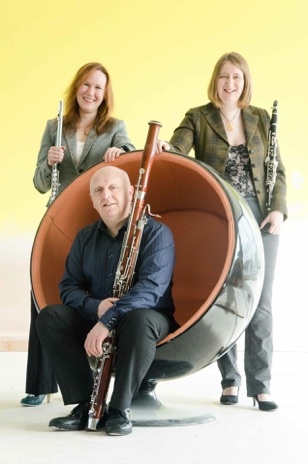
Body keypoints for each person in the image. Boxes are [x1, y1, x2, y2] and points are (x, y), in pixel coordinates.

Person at [157, 51, 288, 412]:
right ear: (215, 80)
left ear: (245, 82)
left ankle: (261, 385)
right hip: (223, 218)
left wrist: (278, 210)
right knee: (226, 302)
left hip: (261, 218)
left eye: (237, 78)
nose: (230, 84)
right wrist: (167, 147)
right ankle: (230, 381)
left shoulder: (260, 118)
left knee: (260, 303)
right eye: (224, 77)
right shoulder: (198, 117)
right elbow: (178, 145)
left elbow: (278, 170)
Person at [21, 62, 135, 407]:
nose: (91, 92)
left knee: (87, 291)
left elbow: (131, 158)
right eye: (86, 85)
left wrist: (120, 153)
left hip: (92, 223)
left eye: (98, 88)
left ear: (105, 95)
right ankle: (40, 386)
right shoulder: (55, 127)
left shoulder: (116, 127)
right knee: (42, 294)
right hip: (57, 220)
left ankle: (90, 379)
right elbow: (40, 184)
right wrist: (50, 163)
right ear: (77, 88)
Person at [35, 165, 178, 435]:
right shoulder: (84, 237)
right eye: (99, 190)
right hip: (98, 315)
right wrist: (97, 306)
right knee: (51, 317)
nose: (107, 195)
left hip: (146, 318)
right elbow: (68, 287)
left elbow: (151, 289)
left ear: (131, 192)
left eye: (114, 188)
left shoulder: (156, 233)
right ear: (92, 199)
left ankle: (119, 409)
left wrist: (107, 320)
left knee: (140, 318)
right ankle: (84, 404)